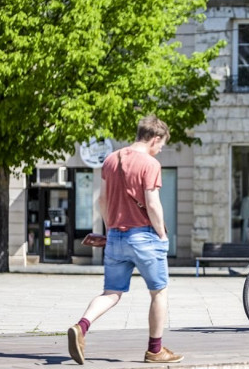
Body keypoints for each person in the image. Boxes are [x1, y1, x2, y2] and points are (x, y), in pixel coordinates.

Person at [67, 115, 182, 365]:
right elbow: (152, 204)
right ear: (155, 138)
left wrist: (111, 230)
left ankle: (81, 326)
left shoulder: (111, 159)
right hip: (144, 236)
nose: (161, 150)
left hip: (116, 236)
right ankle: (155, 350)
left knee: (111, 292)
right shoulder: (150, 164)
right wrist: (162, 234)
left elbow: (101, 200)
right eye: (161, 145)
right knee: (159, 292)